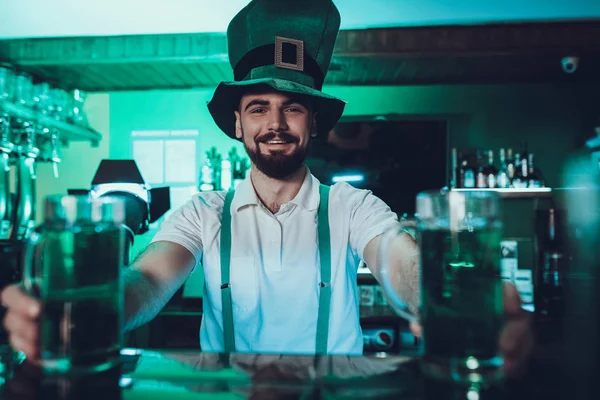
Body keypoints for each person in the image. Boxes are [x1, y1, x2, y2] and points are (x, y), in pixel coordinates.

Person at [1, 0, 532, 376]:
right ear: (236, 124)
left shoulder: (353, 206)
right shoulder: (202, 212)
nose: (275, 123)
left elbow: (402, 264)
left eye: (292, 107)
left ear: (315, 123)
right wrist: (94, 306)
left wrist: (442, 299)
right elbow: (146, 281)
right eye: (258, 108)